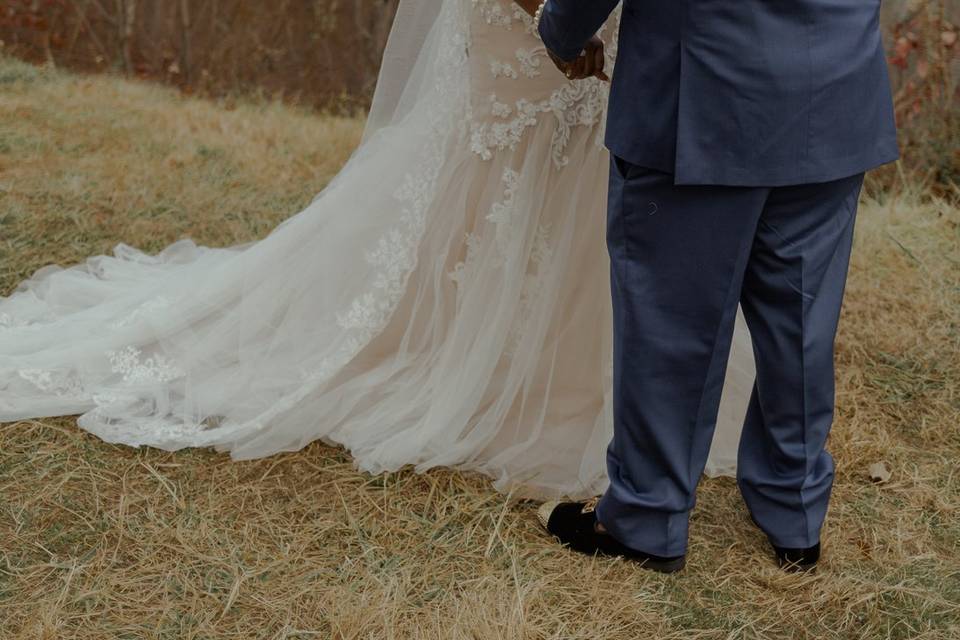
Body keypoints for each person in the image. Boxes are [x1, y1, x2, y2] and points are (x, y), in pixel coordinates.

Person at [1, 0, 751, 547]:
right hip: (523, 25)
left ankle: (579, 373)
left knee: (581, 181)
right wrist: (552, 21)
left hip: (608, 29)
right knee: (498, 178)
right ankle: (474, 358)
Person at [533, 0, 899, 573]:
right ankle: (794, 512)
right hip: (832, 83)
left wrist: (560, 31)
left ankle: (647, 515)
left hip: (702, 90)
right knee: (801, 318)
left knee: (669, 322)